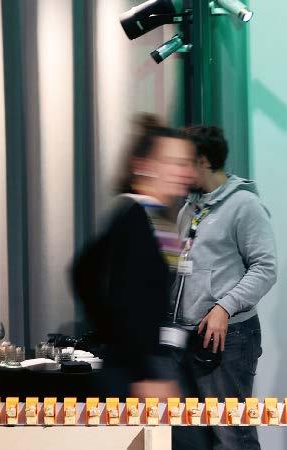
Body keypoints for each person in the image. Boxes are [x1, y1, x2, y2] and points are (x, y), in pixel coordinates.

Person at [170, 124, 287, 450]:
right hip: (187, 336)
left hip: (230, 336)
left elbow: (265, 267)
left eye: (184, 160)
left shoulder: (244, 206)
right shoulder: (189, 209)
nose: (178, 169)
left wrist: (224, 306)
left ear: (204, 161)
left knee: (230, 431)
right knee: (190, 433)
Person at [73, 114, 196, 401]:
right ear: (145, 166)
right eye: (175, 162)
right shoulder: (135, 217)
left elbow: (83, 272)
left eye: (187, 163)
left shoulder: (152, 216)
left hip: (150, 364)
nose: (185, 172)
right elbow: (123, 298)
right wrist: (143, 369)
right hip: (141, 371)